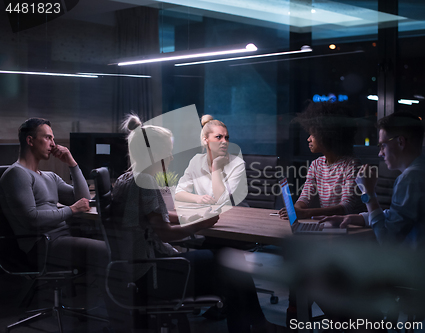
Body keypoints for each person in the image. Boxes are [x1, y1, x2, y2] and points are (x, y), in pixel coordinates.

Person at [110, 114, 276, 333]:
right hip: (154, 274)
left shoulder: (128, 178)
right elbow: (166, 233)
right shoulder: (147, 182)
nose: (171, 157)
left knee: (224, 259)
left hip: (139, 270)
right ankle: (257, 325)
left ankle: (256, 323)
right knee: (230, 262)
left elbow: (157, 218)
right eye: (168, 152)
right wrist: (199, 224)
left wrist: (194, 217)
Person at [320, 111, 425, 249]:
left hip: (421, 266)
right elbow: (396, 217)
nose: (380, 153)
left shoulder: (411, 179)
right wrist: (357, 218)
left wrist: (369, 193)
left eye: (382, 145)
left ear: (401, 142)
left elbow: (387, 240)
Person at [0, 118, 107, 281]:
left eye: (53, 138)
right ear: (30, 140)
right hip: (43, 245)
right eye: (48, 137)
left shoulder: (50, 176)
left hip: (62, 238)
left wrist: (72, 164)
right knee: (107, 251)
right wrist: (72, 210)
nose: (53, 144)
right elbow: (32, 220)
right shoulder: (17, 174)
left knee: (112, 245)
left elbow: (83, 199)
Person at [279, 101, 364, 220]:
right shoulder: (316, 165)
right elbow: (304, 198)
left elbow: (345, 208)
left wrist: (306, 213)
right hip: (329, 225)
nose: (308, 139)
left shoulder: (352, 165)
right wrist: (296, 210)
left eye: (312, 134)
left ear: (327, 135)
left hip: (351, 228)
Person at [175, 115, 247, 206]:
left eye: (226, 138)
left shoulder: (237, 164)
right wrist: (198, 198)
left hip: (234, 213)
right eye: (218, 137)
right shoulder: (196, 160)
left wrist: (216, 167)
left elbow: (222, 200)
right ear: (205, 140)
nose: (224, 141)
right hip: (206, 213)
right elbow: (178, 192)